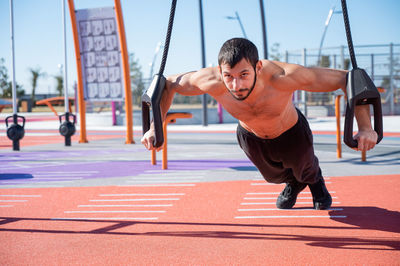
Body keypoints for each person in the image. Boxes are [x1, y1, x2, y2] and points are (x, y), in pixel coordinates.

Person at [141, 38, 378, 210]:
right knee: (272, 177)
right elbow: (168, 84)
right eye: (229, 77)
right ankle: (294, 183)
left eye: (244, 75)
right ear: (220, 72)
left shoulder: (284, 76)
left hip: (291, 132)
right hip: (250, 135)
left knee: (305, 168)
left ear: (258, 67)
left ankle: (315, 182)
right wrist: (155, 126)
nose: (236, 85)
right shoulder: (210, 80)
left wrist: (366, 127)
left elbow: (349, 79)